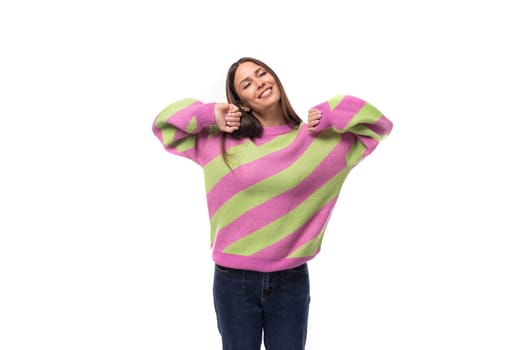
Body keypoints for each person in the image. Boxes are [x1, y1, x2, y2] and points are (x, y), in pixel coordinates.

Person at [152, 57, 393, 350]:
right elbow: (164, 125)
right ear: (241, 102)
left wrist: (333, 112)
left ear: (275, 78)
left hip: (290, 282)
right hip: (233, 282)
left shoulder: (319, 142)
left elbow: (377, 124)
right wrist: (208, 115)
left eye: (262, 73)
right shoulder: (218, 142)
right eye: (247, 84)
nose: (259, 83)